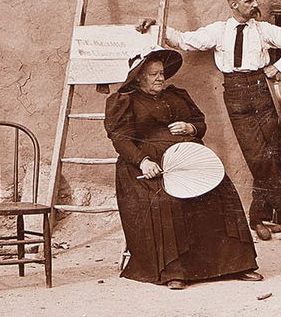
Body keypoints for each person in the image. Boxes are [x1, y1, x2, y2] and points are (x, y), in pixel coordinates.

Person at [154, 0, 281, 240]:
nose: (255, 4)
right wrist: (158, 28)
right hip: (236, 94)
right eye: (249, 1)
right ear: (234, 4)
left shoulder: (263, 30)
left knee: (267, 156)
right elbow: (184, 40)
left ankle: (258, 218)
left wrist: (278, 67)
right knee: (257, 157)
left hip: (263, 92)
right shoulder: (219, 31)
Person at [104, 48, 263, 289]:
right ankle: (174, 271)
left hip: (189, 160)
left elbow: (200, 123)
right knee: (167, 200)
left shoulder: (176, 95)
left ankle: (236, 265)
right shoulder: (126, 100)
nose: (160, 78)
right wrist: (143, 161)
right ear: (139, 78)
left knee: (221, 191)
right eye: (154, 74)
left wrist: (191, 128)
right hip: (148, 165)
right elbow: (121, 138)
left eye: (162, 73)